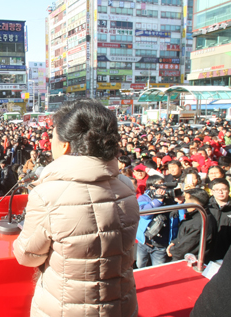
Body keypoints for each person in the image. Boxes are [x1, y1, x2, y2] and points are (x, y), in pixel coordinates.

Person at [13, 99, 139, 317]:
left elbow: (27, 256)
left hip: (66, 307)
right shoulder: (127, 187)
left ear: (65, 145)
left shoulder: (47, 194)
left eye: (52, 136)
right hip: (119, 305)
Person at [136, 176, 181, 268]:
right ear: (152, 187)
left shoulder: (169, 199)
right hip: (144, 242)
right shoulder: (144, 198)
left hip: (161, 245)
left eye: (163, 184)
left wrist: (180, 203)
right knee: (140, 266)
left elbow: (181, 217)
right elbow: (144, 214)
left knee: (158, 269)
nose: (163, 187)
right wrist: (158, 201)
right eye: (159, 184)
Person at [166, 188, 217, 262]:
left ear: (195, 203)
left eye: (186, 200)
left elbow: (185, 247)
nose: (185, 203)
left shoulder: (198, 222)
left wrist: (172, 250)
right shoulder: (203, 214)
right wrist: (174, 242)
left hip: (190, 261)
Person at [207, 178, 231, 260]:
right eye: (217, 189)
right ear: (212, 191)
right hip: (207, 252)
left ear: (228, 190)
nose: (220, 192)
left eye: (224, 189)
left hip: (227, 253)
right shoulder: (206, 207)